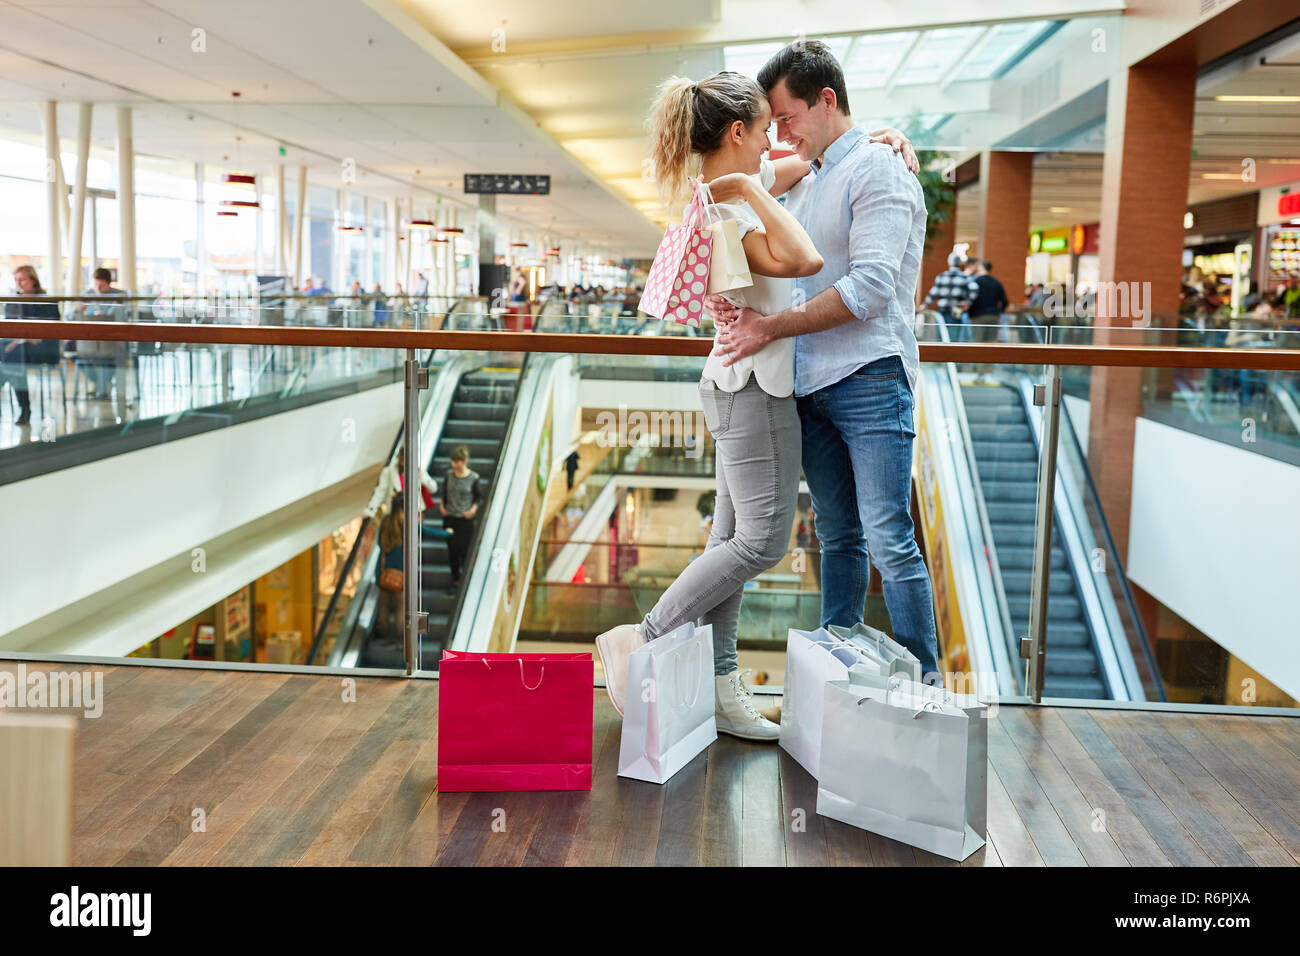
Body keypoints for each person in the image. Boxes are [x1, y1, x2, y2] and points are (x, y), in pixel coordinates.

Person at [592, 67, 918, 741]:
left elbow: (803, 168)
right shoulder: (726, 212)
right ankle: (642, 633)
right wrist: (748, 183)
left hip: (740, 383)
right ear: (737, 133)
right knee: (762, 541)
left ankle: (722, 684)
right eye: (765, 132)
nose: (775, 144)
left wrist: (879, 139)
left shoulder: (723, 195)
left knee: (730, 538)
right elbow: (804, 259)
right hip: (752, 389)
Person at [709, 39, 941, 684]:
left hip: (869, 378)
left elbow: (868, 292)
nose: (779, 134)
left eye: (786, 118)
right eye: (772, 123)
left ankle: (924, 685)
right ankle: (843, 677)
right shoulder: (807, 177)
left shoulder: (878, 170)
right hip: (809, 381)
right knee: (839, 537)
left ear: (827, 100)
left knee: (891, 539)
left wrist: (768, 328)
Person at [2, 265, 61, 426]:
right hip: (17, 349)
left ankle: (25, 408)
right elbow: (9, 330)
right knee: (15, 359)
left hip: (43, 348)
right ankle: (25, 409)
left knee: (13, 360)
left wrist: (21, 340)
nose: (18, 284)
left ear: (33, 281)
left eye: (22, 279)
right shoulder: (12, 301)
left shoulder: (46, 300)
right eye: (16, 280)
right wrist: (16, 341)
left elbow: (51, 329)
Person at [74, 267, 129, 417]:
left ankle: (102, 389)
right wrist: (78, 310)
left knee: (108, 355)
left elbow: (118, 316)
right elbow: (71, 316)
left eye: (102, 285)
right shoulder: (86, 295)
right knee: (77, 357)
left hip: (111, 340)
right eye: (96, 284)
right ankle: (102, 384)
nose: (98, 288)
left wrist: (96, 313)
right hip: (89, 340)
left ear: (108, 283)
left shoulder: (119, 295)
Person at [439, 444, 483, 589]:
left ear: (464, 461)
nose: (454, 464)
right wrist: (442, 507)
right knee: (452, 550)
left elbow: (478, 497)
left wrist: (473, 510)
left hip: (465, 519)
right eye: (453, 461)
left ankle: (465, 579)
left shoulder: (473, 477)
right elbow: (444, 492)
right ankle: (455, 580)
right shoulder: (449, 475)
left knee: (465, 551)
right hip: (450, 517)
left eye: (457, 461)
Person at [364, 445, 437, 521]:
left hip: (414, 512)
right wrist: (370, 510)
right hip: (396, 512)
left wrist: (421, 477)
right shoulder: (389, 471)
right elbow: (380, 491)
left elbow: (433, 488)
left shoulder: (418, 470)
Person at [922, 253, 978, 342]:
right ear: (960, 264)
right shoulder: (964, 277)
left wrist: (925, 305)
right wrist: (968, 302)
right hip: (956, 311)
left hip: (942, 311)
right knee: (953, 339)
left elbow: (933, 293)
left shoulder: (941, 277)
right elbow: (974, 289)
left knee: (941, 337)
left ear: (949, 263)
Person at [373, 499, 405, 644]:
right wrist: (447, 534)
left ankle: (385, 637)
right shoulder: (406, 524)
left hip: (384, 572)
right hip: (402, 573)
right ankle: (399, 639)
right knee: (400, 608)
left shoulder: (386, 521)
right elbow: (425, 532)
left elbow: (380, 543)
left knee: (384, 607)